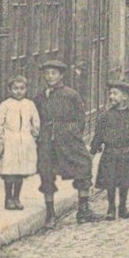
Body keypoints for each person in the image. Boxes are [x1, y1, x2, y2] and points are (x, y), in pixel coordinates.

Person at [35, 58, 100, 227]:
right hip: (47, 141)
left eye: (54, 73)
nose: (50, 77)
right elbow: (35, 119)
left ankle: (83, 209)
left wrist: (72, 133)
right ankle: (50, 214)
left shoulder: (71, 95)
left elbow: (80, 118)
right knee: (46, 172)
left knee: (84, 165)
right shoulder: (40, 97)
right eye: (47, 73)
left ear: (61, 75)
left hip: (68, 140)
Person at [92, 79, 129, 220]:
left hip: (127, 153)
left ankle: (122, 207)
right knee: (109, 183)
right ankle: (111, 208)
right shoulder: (104, 117)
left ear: (124, 97)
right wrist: (92, 152)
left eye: (115, 94)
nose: (111, 97)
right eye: (110, 94)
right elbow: (98, 136)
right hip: (110, 153)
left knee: (124, 182)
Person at [0, 75, 40, 211]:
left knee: (20, 171)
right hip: (10, 140)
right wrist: (0, 140)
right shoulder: (5, 105)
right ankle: (8, 198)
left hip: (25, 140)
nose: (19, 91)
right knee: (9, 171)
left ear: (26, 90)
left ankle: (17, 197)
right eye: (15, 88)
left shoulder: (30, 105)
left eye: (22, 88)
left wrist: (33, 136)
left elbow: (35, 122)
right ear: (10, 90)